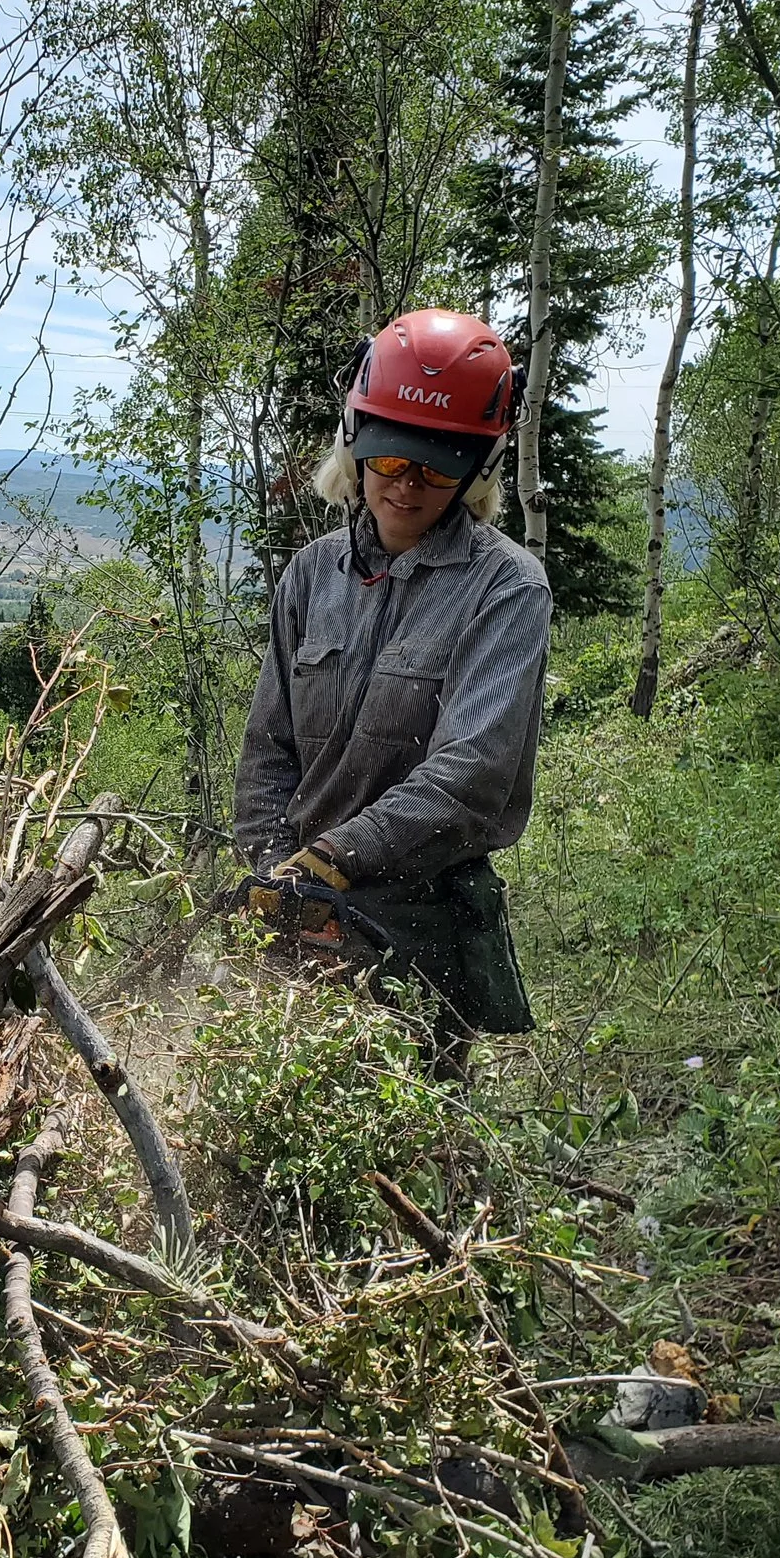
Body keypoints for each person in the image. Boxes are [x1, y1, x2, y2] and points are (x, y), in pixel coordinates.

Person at [233, 307, 551, 1078]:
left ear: (476, 467)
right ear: (356, 447)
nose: (407, 485)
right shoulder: (311, 574)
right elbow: (267, 748)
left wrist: (335, 857)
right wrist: (274, 868)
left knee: (414, 1146)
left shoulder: (506, 589)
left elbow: (469, 773)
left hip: (420, 917)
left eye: (436, 469)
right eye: (389, 462)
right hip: (295, 902)